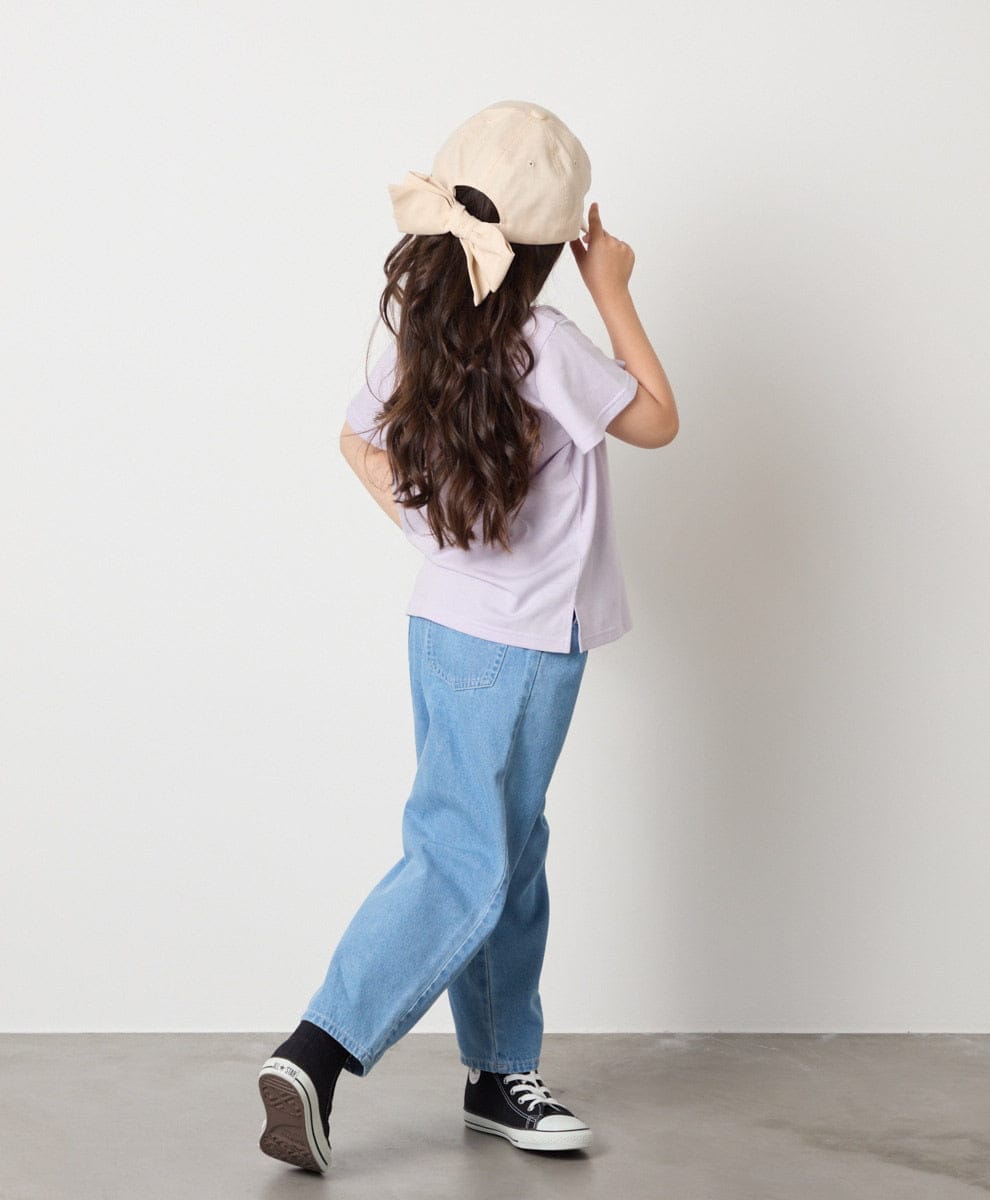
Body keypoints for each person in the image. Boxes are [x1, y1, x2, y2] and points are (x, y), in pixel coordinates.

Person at [257, 99, 679, 1174]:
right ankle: (318, 1049)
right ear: (551, 243)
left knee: (507, 850)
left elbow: (354, 437)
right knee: (464, 855)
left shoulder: (431, 337)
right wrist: (613, 287)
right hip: (524, 649)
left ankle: (499, 1070)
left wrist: (428, 533)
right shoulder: (547, 342)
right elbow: (657, 417)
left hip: (443, 629)